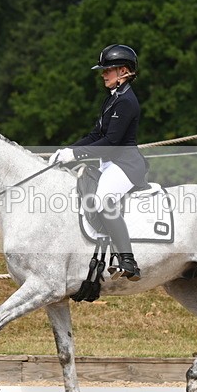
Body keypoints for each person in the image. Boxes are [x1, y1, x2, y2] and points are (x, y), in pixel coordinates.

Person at [48, 44, 147, 281]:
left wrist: (77, 156)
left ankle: (128, 260)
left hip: (126, 165)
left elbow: (111, 142)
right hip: (110, 164)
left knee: (103, 200)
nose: (103, 74)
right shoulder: (111, 100)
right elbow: (95, 135)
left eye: (108, 70)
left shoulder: (127, 102)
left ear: (124, 71)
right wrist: (68, 150)